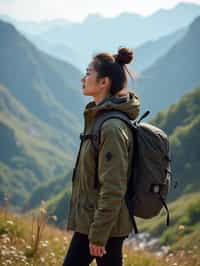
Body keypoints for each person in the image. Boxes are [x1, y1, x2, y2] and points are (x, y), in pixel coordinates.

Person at [63, 47, 140, 266]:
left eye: (88, 73)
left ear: (103, 82)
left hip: (102, 225)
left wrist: (98, 233)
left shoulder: (111, 128)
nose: (83, 78)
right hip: (97, 222)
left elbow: (114, 186)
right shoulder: (100, 120)